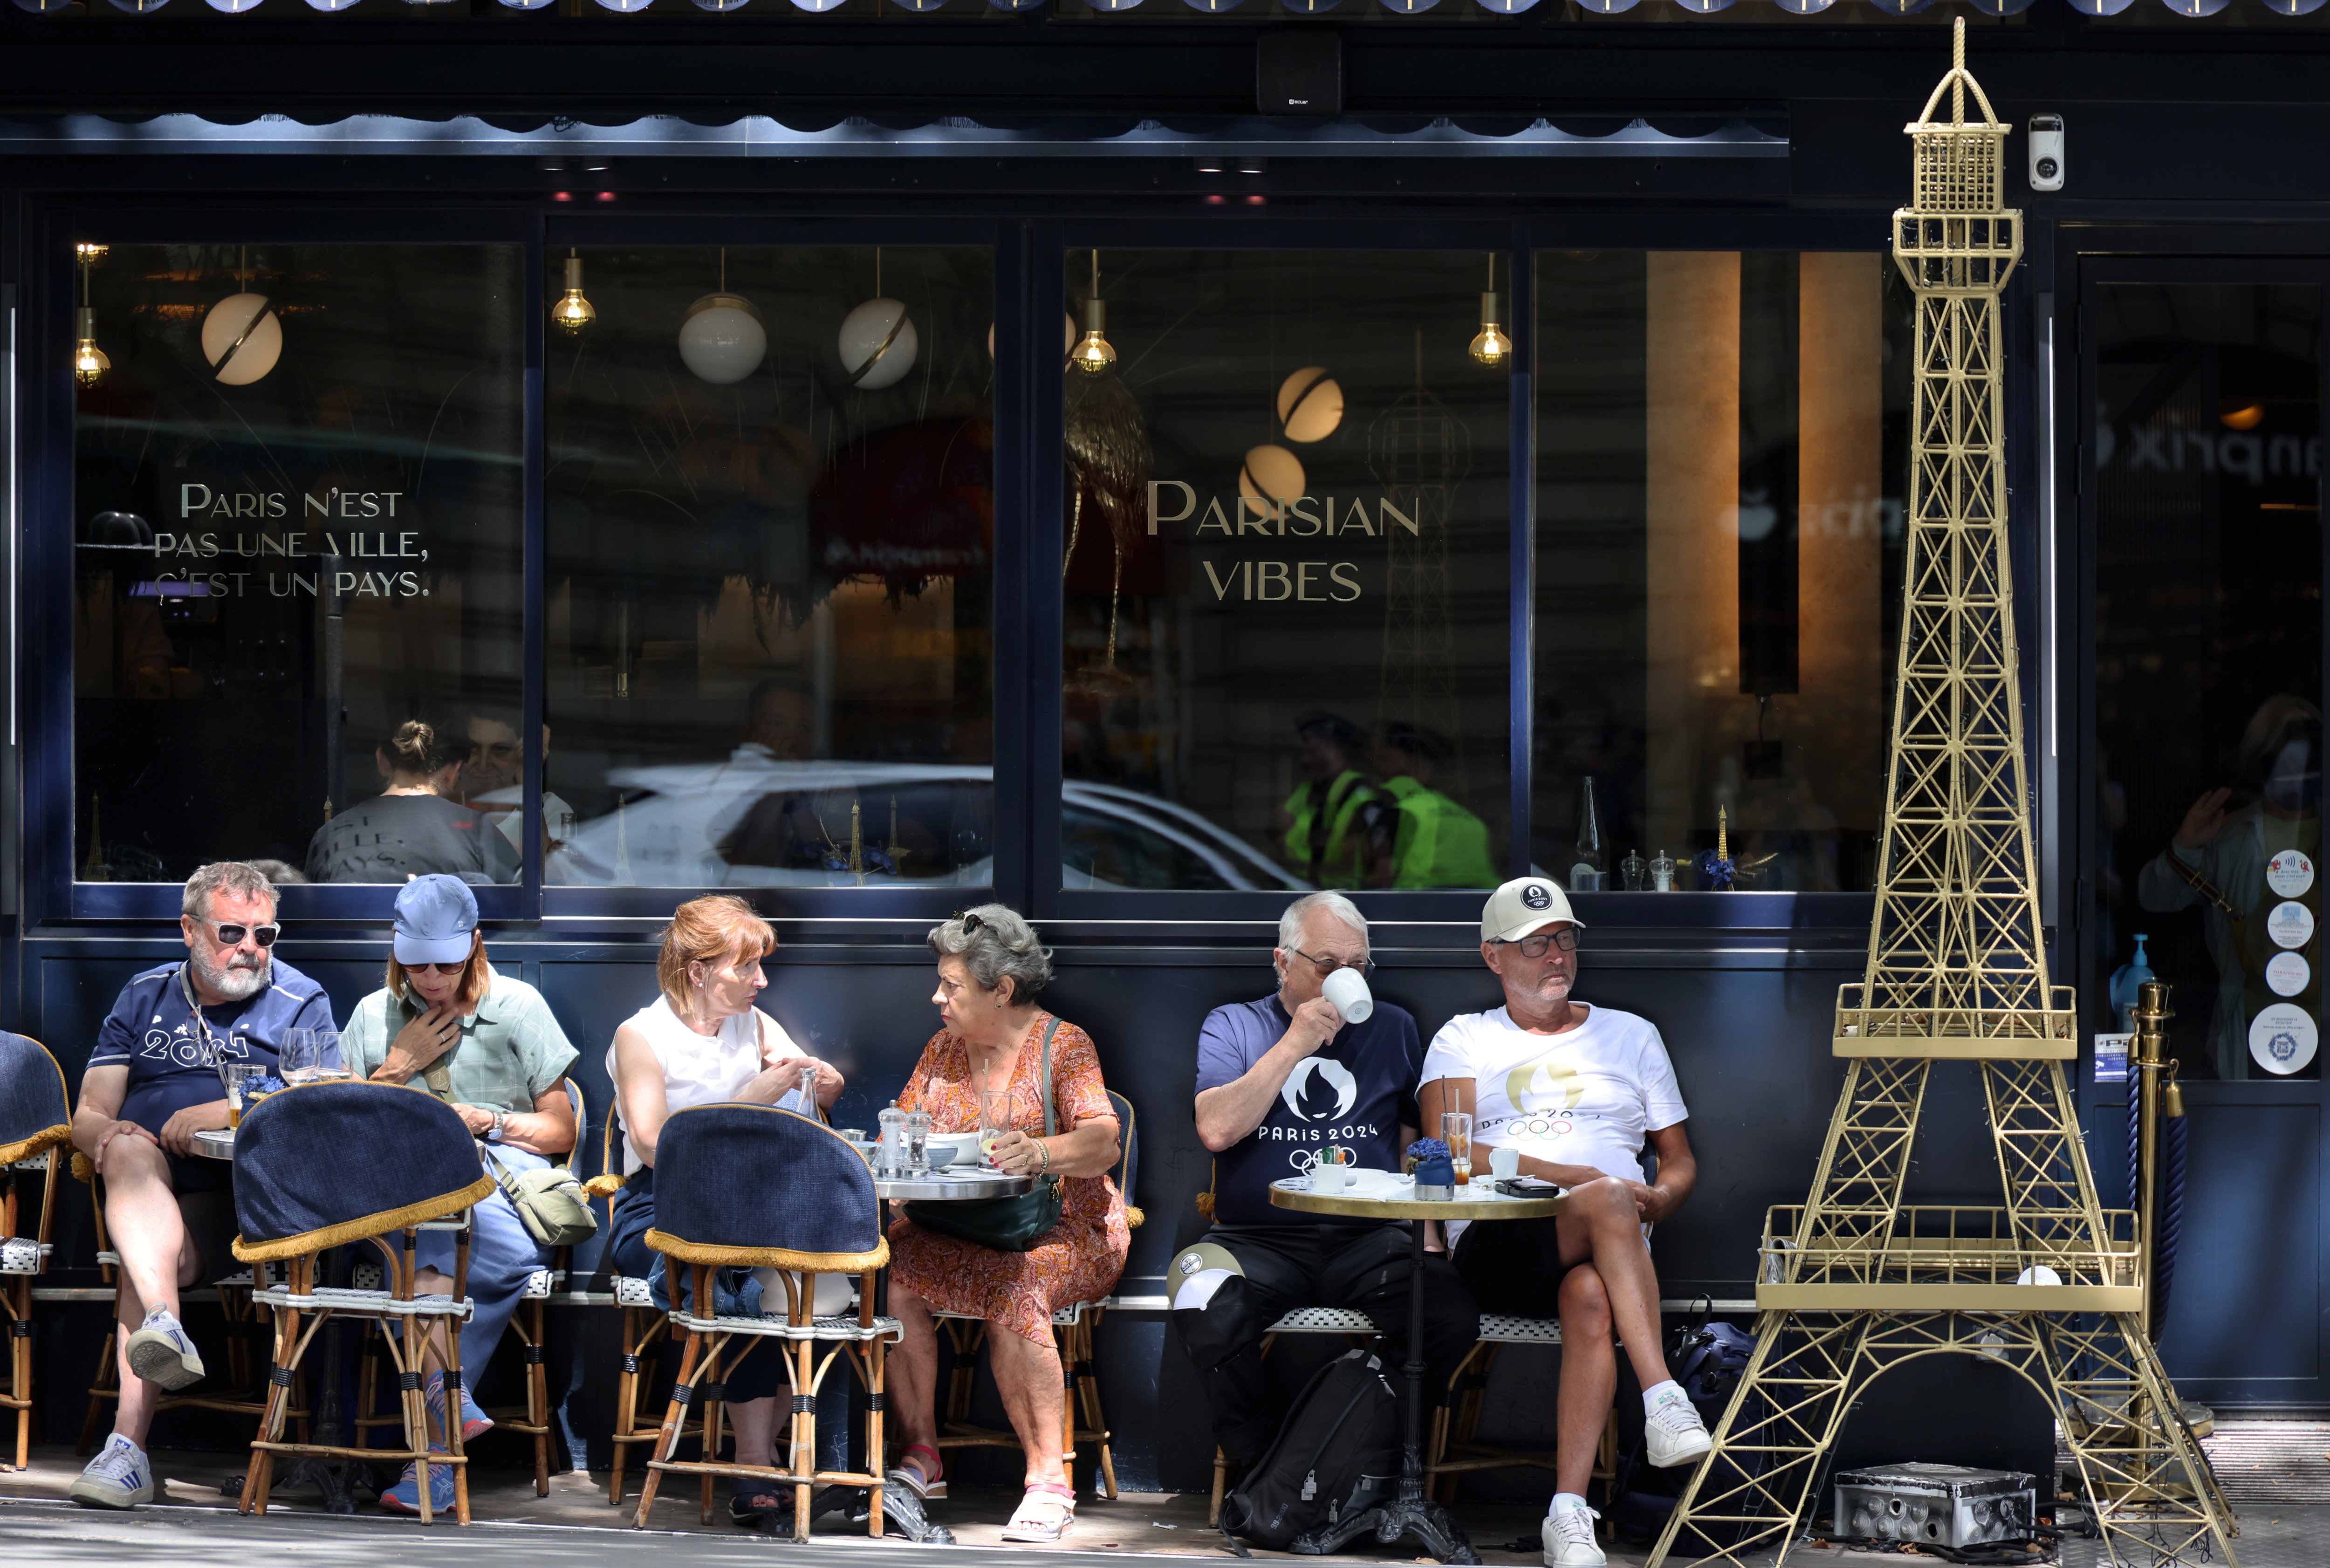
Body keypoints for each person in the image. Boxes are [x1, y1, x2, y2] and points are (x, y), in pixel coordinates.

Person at [1417, 876, 1708, 1568]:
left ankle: (1568, 1515)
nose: (1557, 955)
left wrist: (1661, 1199)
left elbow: (1679, 1159)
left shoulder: (1632, 1035)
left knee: (1589, 1297)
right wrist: (1580, 1179)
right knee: (1608, 1196)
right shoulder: (1466, 1038)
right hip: (1500, 1241)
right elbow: (1449, 1150)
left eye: (1565, 939)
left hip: (1604, 1252)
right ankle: (1663, 1396)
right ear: (1493, 958)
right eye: (1536, 944)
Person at [1170, 891, 1479, 1485]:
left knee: (1447, 1315)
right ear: (1282, 963)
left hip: (1370, 1235)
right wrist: (1293, 1042)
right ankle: (1261, 1469)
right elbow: (1214, 1129)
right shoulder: (1233, 1024)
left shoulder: (1393, 1026)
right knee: (1198, 1292)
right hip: (1254, 1236)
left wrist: (1431, 1236)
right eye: (1327, 964)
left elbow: (1414, 1138)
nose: (1345, 977)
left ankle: (1347, 1459)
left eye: (1357, 965)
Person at [67, 862, 336, 1510]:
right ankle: (165, 1325)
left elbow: (326, 1097)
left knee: (143, 1258)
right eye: (232, 932)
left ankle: (128, 1450)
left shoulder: (300, 998)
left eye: (264, 934)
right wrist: (105, 1138)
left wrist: (225, 1111)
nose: (251, 948)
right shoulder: (144, 993)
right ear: (189, 929)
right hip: (148, 1181)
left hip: (245, 1201)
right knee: (127, 1151)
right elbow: (88, 1114)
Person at [885, 905, 1128, 1545]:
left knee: (1015, 1285)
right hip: (962, 1226)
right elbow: (903, 1127)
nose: (937, 997)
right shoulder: (943, 1047)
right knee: (891, 1272)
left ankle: (1050, 1481)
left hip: (1069, 1231)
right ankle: (923, 1458)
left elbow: (1105, 1140)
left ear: (1002, 989)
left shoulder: (1063, 1044)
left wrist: (1042, 1151)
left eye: (952, 986)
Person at [341, 875, 580, 1515]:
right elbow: (340, 1127)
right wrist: (397, 1066)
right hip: (397, 1187)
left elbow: (561, 1130)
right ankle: (449, 1424)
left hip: (493, 1185)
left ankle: (436, 1454)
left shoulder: (518, 1007)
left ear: (476, 944)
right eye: (415, 963)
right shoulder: (373, 1014)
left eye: (446, 962)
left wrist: (488, 1121)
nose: (430, 978)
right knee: (420, 1238)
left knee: (434, 1273)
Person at [604, 895, 845, 1528]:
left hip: (754, 1204)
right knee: (749, 1272)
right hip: (658, 1211)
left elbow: (822, 1088)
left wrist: (818, 1081)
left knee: (811, 1264)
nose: (761, 981)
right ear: (698, 970)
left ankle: (804, 1456)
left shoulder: (754, 1023)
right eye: (747, 968)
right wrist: (748, 1101)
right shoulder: (641, 1035)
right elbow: (656, 1144)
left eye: (762, 966)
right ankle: (758, 1460)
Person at [2138, 694, 2323, 1079]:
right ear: (2262, 763)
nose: (2301, 771)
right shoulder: (2231, 836)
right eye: (2288, 759)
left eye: (2311, 757)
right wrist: (2185, 848)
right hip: (2253, 1030)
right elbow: (2155, 898)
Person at [304, 719, 521, 885]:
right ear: (453, 772)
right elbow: (516, 904)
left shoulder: (331, 833)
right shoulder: (476, 829)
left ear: (381, 760)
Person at [1275, 713, 1393, 890]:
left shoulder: (1360, 798)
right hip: (1302, 895)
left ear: (1332, 746)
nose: (1304, 747)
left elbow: (1369, 864)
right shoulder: (1308, 791)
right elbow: (1280, 834)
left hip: (1342, 900)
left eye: (1311, 740)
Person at [1375, 721, 1499, 889]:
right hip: (1478, 905)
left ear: (1416, 764)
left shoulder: (1402, 812)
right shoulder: (1469, 817)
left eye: (1387, 759)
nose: (1379, 767)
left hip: (1415, 906)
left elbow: (1382, 874)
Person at [461, 710, 578, 860]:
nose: (484, 765)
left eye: (500, 750)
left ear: (521, 752)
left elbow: (550, 876)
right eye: (474, 748)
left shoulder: (551, 810)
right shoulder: (445, 803)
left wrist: (527, 778)